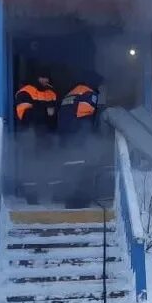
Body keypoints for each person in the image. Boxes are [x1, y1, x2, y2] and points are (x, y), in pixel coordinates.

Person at [14, 74, 58, 204]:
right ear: (36, 78)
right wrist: (46, 111)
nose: (45, 80)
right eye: (42, 77)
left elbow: (55, 115)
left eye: (47, 78)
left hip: (47, 135)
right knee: (31, 165)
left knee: (48, 164)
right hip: (29, 134)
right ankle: (31, 196)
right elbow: (25, 115)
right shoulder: (25, 92)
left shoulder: (52, 93)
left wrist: (50, 117)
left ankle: (49, 193)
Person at [57, 78, 100, 209]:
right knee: (82, 168)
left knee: (68, 169)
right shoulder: (89, 93)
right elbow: (87, 115)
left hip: (65, 136)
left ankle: (70, 201)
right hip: (78, 136)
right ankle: (81, 201)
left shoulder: (71, 93)